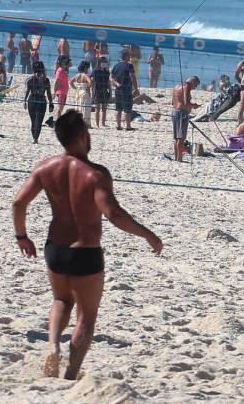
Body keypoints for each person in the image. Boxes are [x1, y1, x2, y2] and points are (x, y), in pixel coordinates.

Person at [12, 112, 163, 379]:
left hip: (55, 248)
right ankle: (71, 372)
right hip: (86, 252)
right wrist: (148, 235)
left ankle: (53, 345)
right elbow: (113, 214)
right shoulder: (96, 174)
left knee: (60, 299)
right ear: (83, 136)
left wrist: (22, 237)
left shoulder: (45, 168)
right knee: (87, 316)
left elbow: (18, 203)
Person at [24, 61, 54, 144]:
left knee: (34, 121)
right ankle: (35, 138)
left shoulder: (30, 80)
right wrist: (51, 103)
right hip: (41, 100)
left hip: (32, 100)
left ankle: (35, 137)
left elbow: (27, 91)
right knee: (38, 121)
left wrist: (25, 101)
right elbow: (48, 93)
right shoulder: (45, 80)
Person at [172, 76, 200, 162]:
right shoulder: (187, 86)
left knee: (177, 137)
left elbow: (173, 102)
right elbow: (186, 102)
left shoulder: (176, 86)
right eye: (195, 85)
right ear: (192, 82)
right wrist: (194, 105)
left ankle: (177, 157)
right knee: (181, 137)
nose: (194, 87)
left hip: (174, 112)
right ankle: (179, 158)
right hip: (182, 113)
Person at [111, 49, 137, 131]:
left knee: (118, 109)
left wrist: (116, 84)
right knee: (127, 109)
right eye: (129, 55)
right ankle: (128, 126)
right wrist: (136, 88)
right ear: (126, 56)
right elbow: (133, 77)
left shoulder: (116, 65)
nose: (130, 57)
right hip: (127, 89)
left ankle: (118, 125)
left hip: (118, 90)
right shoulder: (129, 65)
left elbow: (110, 78)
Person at [90, 57, 111, 128]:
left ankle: (103, 123)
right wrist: (92, 93)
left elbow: (109, 83)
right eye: (103, 62)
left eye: (105, 62)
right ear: (99, 63)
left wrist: (110, 93)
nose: (104, 63)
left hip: (105, 91)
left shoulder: (107, 72)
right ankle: (97, 124)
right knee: (97, 109)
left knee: (104, 109)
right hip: (97, 91)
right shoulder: (95, 71)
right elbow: (91, 81)